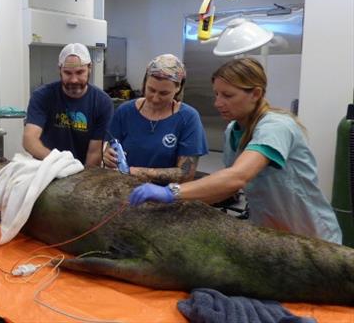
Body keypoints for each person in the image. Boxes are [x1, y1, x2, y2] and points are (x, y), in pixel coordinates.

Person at [127, 57, 342, 244]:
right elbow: (226, 189)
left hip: (310, 237)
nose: (218, 103)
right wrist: (176, 208)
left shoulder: (276, 126)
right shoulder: (233, 131)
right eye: (216, 94)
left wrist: (171, 192)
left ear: (255, 93)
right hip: (270, 234)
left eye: (227, 96)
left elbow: (237, 177)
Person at [103, 54, 208, 183]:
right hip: (125, 190)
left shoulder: (188, 118)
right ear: (144, 83)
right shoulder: (125, 111)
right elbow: (111, 148)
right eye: (151, 90)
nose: (155, 98)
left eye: (164, 93)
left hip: (166, 196)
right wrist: (107, 156)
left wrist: (137, 172)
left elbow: (186, 173)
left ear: (178, 88)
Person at [23, 43, 113, 166]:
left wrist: (82, 180)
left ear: (89, 68)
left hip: (81, 172)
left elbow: (94, 153)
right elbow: (29, 140)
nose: (74, 79)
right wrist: (59, 164)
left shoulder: (102, 102)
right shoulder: (42, 96)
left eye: (80, 72)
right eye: (68, 73)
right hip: (46, 168)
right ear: (59, 69)